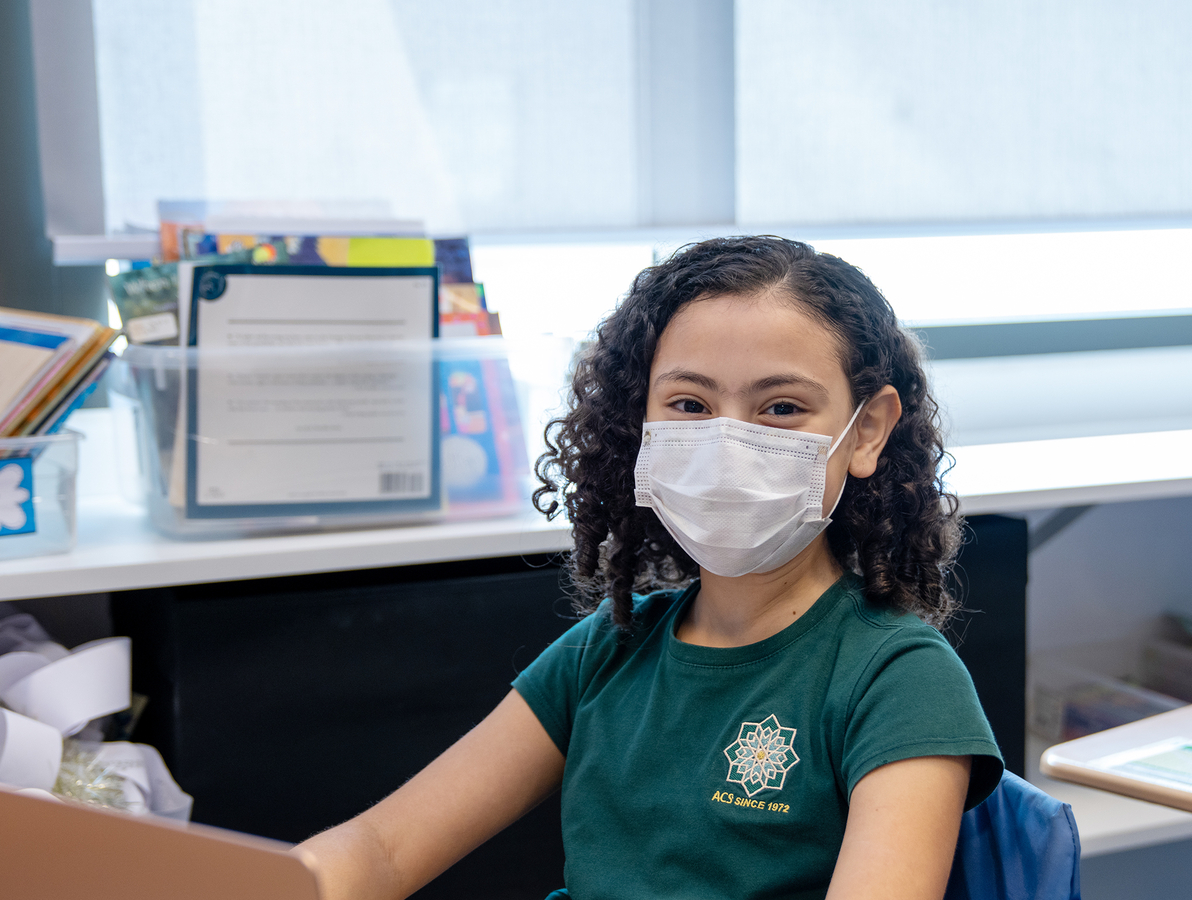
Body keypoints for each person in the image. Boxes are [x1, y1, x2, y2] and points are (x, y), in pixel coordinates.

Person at [298, 236, 1003, 899]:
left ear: (868, 429)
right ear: (639, 422)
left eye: (781, 407)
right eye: (689, 404)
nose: (728, 442)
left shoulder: (901, 679)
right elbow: (382, 851)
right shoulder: (608, 651)